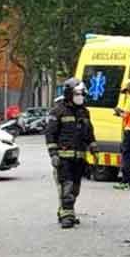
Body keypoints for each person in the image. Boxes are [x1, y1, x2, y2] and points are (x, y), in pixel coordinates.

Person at [46, 78, 97, 228]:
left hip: (79, 158)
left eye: (81, 94)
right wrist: (53, 154)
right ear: (69, 94)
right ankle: (67, 216)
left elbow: (89, 133)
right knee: (66, 187)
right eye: (77, 94)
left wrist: (93, 147)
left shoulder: (84, 112)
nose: (80, 97)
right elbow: (50, 134)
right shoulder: (58, 111)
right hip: (64, 158)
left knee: (75, 188)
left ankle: (65, 211)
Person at [115, 80, 130, 190]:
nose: (126, 93)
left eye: (126, 91)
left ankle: (126, 182)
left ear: (129, 88)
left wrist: (118, 112)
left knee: (127, 156)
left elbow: (125, 114)